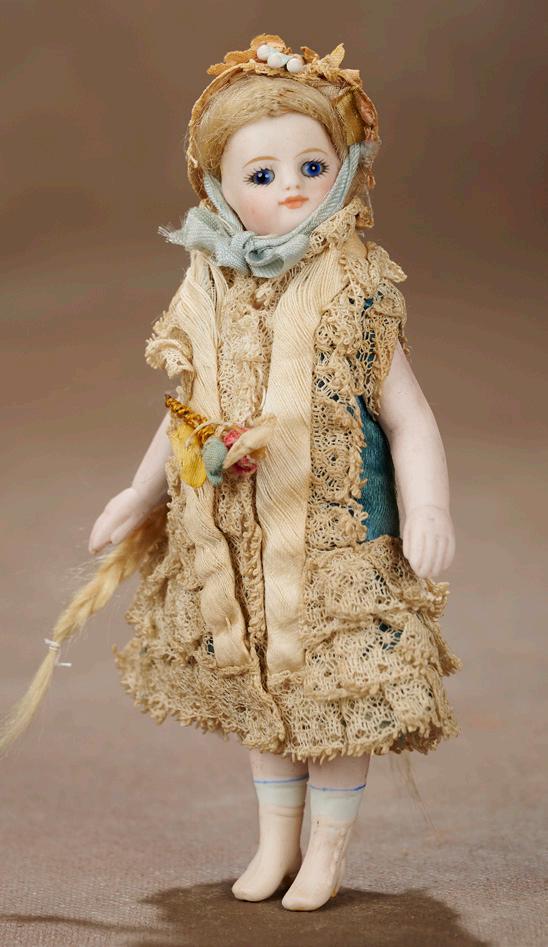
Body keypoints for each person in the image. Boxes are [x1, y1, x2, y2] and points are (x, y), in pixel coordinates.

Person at [1, 35, 462, 912]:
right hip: (238, 542)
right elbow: (185, 409)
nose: (291, 188)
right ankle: (274, 842)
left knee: (331, 697)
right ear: (217, 186)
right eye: (261, 174)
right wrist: (139, 491)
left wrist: (429, 505)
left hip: (332, 543)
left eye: (312, 166)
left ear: (345, 169)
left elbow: (409, 415)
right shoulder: (207, 289)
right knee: (260, 691)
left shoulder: (357, 289)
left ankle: (325, 852)